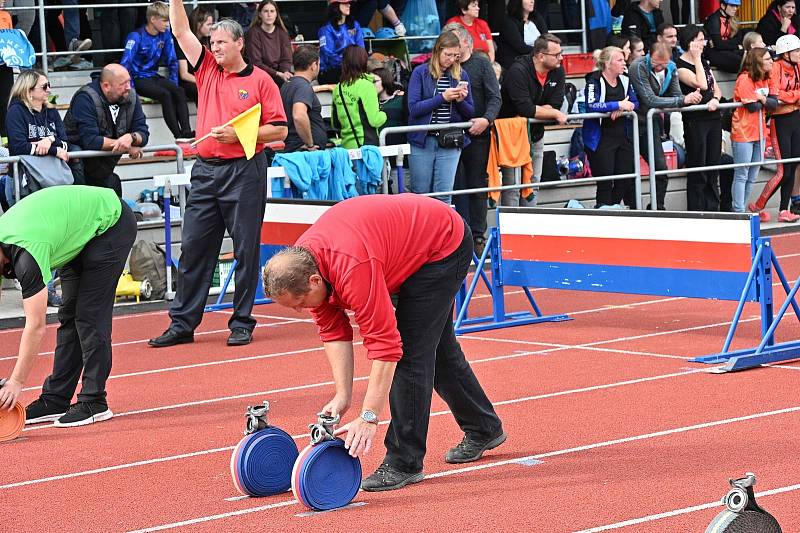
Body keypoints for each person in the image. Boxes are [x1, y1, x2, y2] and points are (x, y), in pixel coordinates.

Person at [261, 193, 506, 492]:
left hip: (442, 245)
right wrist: (343, 396)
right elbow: (333, 331)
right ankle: (484, 428)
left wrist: (369, 416)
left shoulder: (351, 269)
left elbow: (387, 346)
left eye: (300, 302)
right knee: (437, 350)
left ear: (314, 281)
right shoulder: (306, 265)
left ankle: (404, 462)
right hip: (403, 245)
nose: (301, 309)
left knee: (410, 355)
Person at [149, 1, 288, 348]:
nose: (215, 48)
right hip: (207, 171)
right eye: (212, 43)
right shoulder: (207, 69)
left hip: (245, 170)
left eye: (221, 43)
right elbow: (181, 31)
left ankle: (241, 321)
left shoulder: (262, 81)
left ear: (240, 43)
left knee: (245, 249)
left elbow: (280, 130)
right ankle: (182, 324)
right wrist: (176, 1)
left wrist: (244, 135)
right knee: (194, 246)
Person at [0, 186, 136, 426]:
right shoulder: (6, 246)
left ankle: (95, 401)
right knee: (69, 315)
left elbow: (35, 326)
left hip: (110, 223)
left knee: (89, 315)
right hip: (78, 231)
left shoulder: (27, 254)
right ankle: (55, 399)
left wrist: (16, 382)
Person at [443, 22, 500, 255]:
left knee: (477, 183)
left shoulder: (481, 63)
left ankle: (477, 235)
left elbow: (495, 97)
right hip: (450, 136)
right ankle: (458, 233)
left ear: (466, 42)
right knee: (455, 185)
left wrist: (486, 120)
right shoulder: (445, 65)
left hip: (477, 133)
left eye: (455, 41)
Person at [628, 42, 702, 210]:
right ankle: (632, 208)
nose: (660, 67)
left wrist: (689, 98)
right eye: (656, 63)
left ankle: (657, 206)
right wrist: (684, 100)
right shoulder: (637, 67)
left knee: (660, 168)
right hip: (632, 123)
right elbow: (650, 99)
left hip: (651, 122)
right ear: (648, 55)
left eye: (664, 63)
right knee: (630, 170)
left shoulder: (672, 67)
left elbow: (676, 95)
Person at [497, 33, 566, 207]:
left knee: (533, 181)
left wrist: (545, 112)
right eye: (557, 55)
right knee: (512, 185)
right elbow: (525, 108)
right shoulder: (517, 71)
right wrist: (554, 114)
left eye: (561, 53)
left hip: (535, 132)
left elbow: (556, 103)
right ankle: (510, 228)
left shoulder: (557, 70)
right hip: (511, 133)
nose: (561, 58)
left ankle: (529, 227)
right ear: (541, 56)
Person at [63, 64, 150, 197]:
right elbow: (91, 141)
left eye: (129, 81)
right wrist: (126, 146)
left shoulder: (130, 96)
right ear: (106, 86)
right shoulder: (85, 98)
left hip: (103, 169)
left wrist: (131, 138)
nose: (128, 87)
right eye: (123, 83)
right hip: (78, 169)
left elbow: (143, 133)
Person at [407, 31, 473, 205]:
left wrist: (460, 101)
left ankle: (443, 232)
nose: (451, 60)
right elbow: (413, 109)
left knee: (444, 194)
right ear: (437, 51)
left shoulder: (461, 74)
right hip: (423, 140)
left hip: (450, 140)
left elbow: (470, 113)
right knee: (420, 194)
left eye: (455, 56)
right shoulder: (420, 72)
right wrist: (442, 98)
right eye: (447, 55)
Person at [121, 1, 194, 142]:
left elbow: (172, 60)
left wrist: (173, 83)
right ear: (153, 19)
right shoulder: (136, 36)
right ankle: (178, 136)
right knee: (165, 94)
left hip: (153, 76)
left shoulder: (165, 34)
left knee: (178, 91)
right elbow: (125, 64)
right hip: (138, 78)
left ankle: (186, 132)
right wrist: (131, 89)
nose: (168, 24)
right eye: (165, 20)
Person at [751, 34, 800, 222]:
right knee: (783, 170)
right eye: (796, 50)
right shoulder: (776, 67)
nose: (799, 53)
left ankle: (783, 210)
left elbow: (784, 96)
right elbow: (775, 96)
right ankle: (758, 205)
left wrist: (790, 97)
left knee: (793, 164)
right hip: (781, 121)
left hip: (795, 118)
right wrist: (794, 97)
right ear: (785, 53)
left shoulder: (797, 66)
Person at [583, 46, 639, 209]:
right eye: (619, 60)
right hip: (600, 140)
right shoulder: (594, 80)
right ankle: (603, 213)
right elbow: (591, 105)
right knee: (605, 183)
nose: (624, 63)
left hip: (623, 137)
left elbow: (635, 102)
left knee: (625, 180)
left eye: (624, 59)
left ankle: (612, 210)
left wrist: (621, 109)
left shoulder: (625, 79)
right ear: (608, 64)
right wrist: (617, 104)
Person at [675, 25, 723, 212]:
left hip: (713, 118)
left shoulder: (704, 62)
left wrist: (716, 100)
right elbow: (702, 85)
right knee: (698, 166)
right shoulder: (681, 66)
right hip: (696, 120)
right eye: (699, 40)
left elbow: (714, 88)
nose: (703, 43)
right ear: (690, 42)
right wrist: (695, 58)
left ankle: (713, 208)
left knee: (713, 164)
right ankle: (696, 209)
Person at [731, 47, 776, 215]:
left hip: (760, 132)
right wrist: (765, 101)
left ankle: (743, 210)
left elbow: (774, 103)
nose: (771, 61)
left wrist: (762, 98)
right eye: (767, 59)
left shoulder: (767, 77)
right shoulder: (744, 78)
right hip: (743, 132)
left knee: (753, 174)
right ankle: (738, 211)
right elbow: (752, 106)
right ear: (757, 62)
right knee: (742, 173)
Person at [6, 69, 70, 164]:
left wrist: (50, 140)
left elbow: (65, 144)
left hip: (52, 171)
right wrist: (54, 150)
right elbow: (19, 147)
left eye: (49, 85)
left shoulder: (51, 109)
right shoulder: (16, 111)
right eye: (44, 87)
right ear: (29, 91)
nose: (49, 90)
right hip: (25, 174)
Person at [332, 45, 387, 150]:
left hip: (346, 148)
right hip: (367, 147)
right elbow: (375, 120)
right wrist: (384, 114)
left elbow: (335, 123)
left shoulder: (338, 88)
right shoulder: (366, 86)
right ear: (363, 61)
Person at [281, 46, 328, 152]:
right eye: (318, 64)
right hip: (305, 153)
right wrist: (310, 144)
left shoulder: (287, 85)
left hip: (295, 149)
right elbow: (298, 115)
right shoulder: (303, 86)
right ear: (314, 65)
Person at [245, 0, 293, 86]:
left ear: (276, 14)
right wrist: (277, 74)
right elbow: (256, 63)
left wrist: (285, 72)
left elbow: (286, 58)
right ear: (260, 14)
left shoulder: (282, 32)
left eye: (272, 11)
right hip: (259, 75)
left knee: (294, 84)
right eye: (265, 11)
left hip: (280, 74)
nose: (269, 14)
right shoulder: (253, 33)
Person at [318, 0, 365, 85]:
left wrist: (356, 63)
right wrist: (349, 64)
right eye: (345, 3)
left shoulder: (355, 25)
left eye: (349, 3)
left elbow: (361, 49)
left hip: (353, 68)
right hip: (330, 71)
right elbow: (328, 55)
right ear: (335, 6)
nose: (349, 5)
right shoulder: (326, 29)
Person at [176, 7, 214, 102]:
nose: (212, 27)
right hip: (188, 81)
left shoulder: (209, 40)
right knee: (203, 90)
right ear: (198, 24)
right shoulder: (183, 41)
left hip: (204, 79)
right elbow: (184, 74)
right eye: (209, 24)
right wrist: (204, 82)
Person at [495, 0, 547, 71]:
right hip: (516, 63)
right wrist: (542, 52)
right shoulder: (508, 21)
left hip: (537, 58)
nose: (532, 1)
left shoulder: (537, 17)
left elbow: (547, 38)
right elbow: (520, 47)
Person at [704, 0, 746, 74]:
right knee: (740, 61)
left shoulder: (731, 18)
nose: (735, 9)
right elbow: (718, 45)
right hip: (713, 52)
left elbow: (739, 39)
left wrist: (730, 44)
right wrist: (736, 46)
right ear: (723, 6)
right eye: (732, 6)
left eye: (736, 6)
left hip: (725, 50)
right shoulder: (714, 19)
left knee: (750, 55)